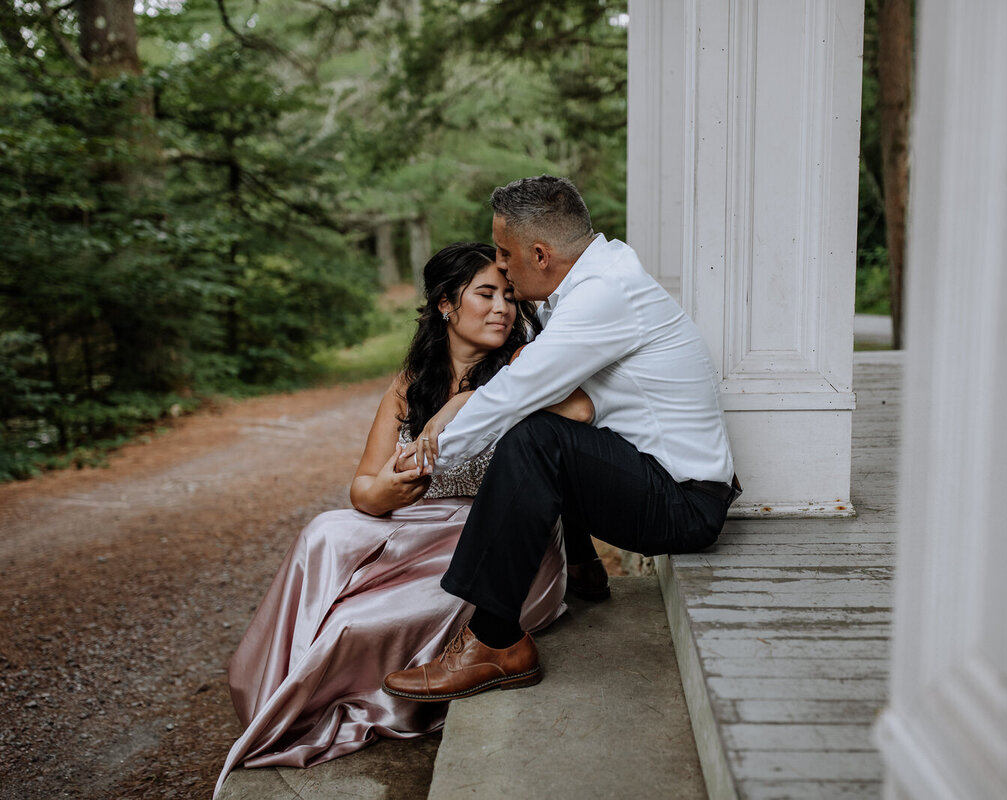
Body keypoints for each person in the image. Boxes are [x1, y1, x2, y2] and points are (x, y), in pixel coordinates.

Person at [213, 242, 592, 796]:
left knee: (354, 626)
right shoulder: (411, 383)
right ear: (445, 304)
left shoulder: (521, 362)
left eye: (509, 296)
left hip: (500, 543)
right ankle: (276, 691)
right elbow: (363, 490)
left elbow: (580, 410)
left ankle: (315, 692)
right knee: (325, 530)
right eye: (485, 293)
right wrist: (390, 487)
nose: (502, 309)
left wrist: (468, 402)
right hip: (419, 527)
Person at [382, 175, 738, 704]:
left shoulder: (604, 295)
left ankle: (494, 641)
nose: (500, 266)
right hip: (656, 478)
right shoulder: (593, 281)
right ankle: (583, 568)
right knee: (551, 430)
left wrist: (427, 458)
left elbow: (515, 395)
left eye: (504, 254)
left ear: (541, 254)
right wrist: (459, 403)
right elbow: (560, 397)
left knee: (533, 439)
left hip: (684, 503)